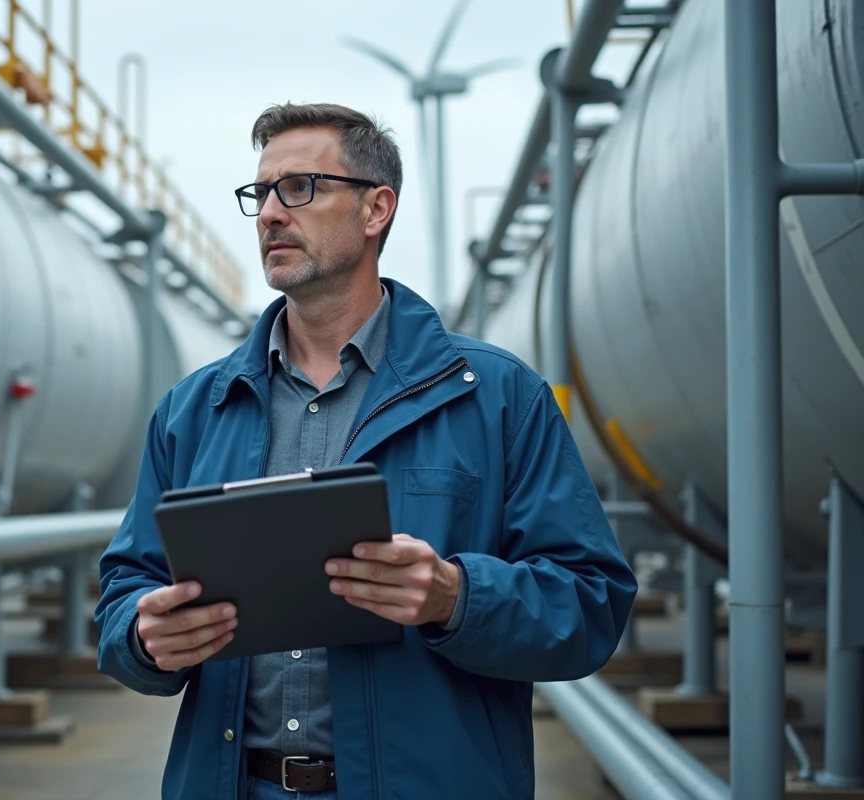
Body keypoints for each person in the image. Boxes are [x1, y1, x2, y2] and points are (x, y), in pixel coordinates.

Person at [94, 101, 637, 800]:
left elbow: (590, 604)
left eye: (300, 188)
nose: (269, 214)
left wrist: (456, 597)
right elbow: (123, 594)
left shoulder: (497, 397)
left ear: (376, 208)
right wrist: (143, 639)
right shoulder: (194, 410)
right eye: (260, 193)